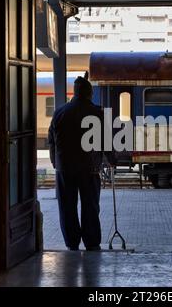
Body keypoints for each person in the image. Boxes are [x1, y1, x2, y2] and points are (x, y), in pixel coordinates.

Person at [48, 72, 115, 251]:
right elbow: (107, 140)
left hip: (65, 168)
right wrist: (112, 159)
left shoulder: (59, 112)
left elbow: (51, 140)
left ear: (75, 92)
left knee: (67, 206)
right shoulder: (97, 113)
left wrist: (56, 162)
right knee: (90, 206)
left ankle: (71, 242)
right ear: (89, 93)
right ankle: (92, 242)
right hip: (89, 167)